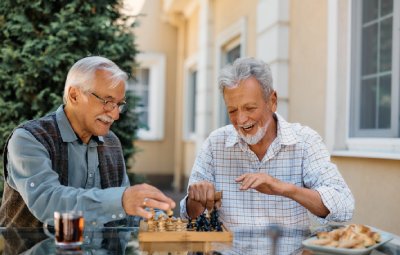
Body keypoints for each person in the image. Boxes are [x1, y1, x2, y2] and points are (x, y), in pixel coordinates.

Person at [0, 56, 175, 227]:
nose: (115, 115)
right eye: (107, 101)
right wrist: (121, 200)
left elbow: (127, 213)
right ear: (74, 95)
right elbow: (48, 202)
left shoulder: (111, 142)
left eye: (119, 104)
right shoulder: (29, 138)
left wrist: (159, 218)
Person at [180, 57, 354, 228]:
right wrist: (196, 199)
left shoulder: (305, 141)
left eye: (250, 108)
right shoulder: (214, 143)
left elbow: (343, 206)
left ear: (272, 101)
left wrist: (283, 188)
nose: (241, 119)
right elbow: (187, 214)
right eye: (232, 110)